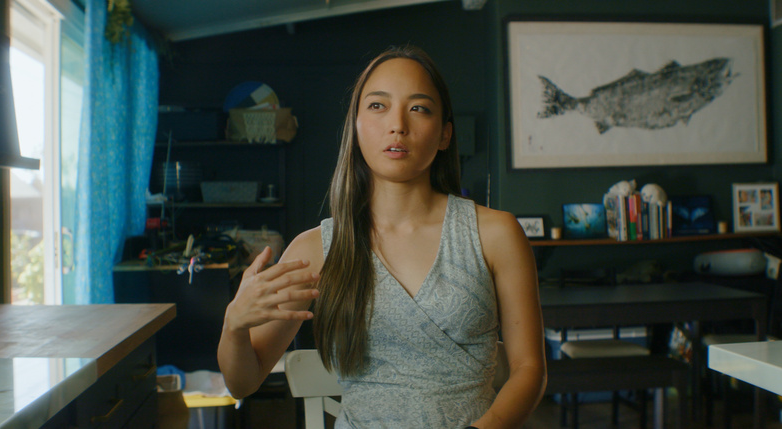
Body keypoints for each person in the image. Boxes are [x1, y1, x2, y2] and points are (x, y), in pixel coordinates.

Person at [217, 45, 546, 428]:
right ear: (356, 127)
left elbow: (529, 369)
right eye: (378, 106)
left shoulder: (495, 233)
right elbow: (242, 382)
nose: (398, 124)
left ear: (445, 134)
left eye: (419, 108)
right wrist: (234, 326)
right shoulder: (315, 250)